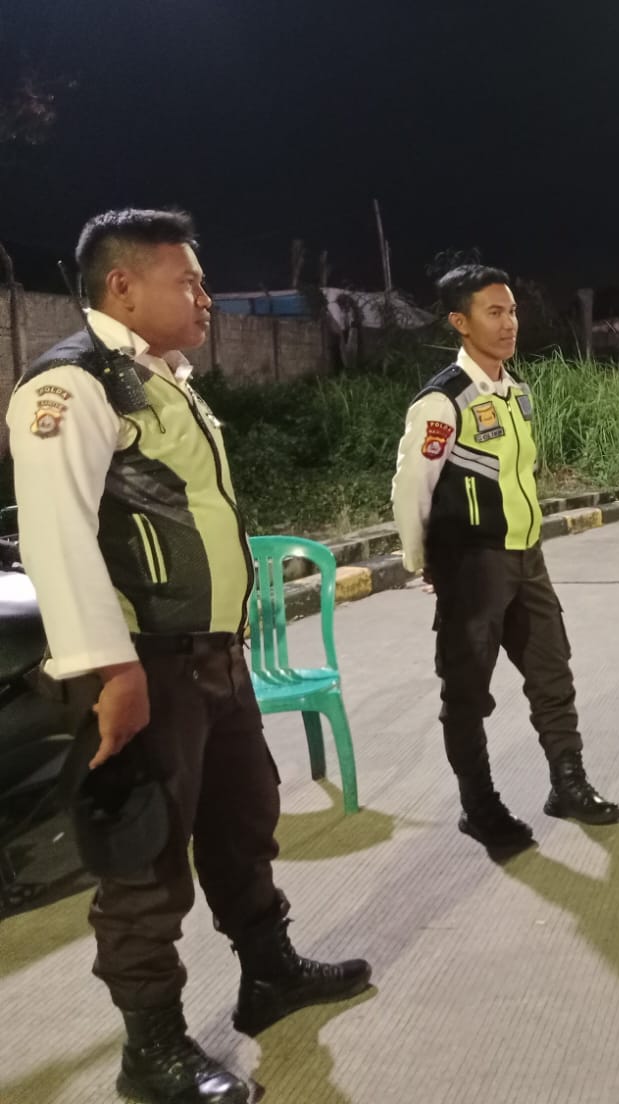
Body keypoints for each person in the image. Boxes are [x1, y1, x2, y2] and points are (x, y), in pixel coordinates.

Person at [6, 208, 370, 1104]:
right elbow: (57, 539)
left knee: (244, 821)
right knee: (145, 859)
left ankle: (268, 972)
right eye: (190, 281)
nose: (207, 297)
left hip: (213, 658)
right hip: (146, 665)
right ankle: (153, 1051)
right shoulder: (72, 386)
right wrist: (112, 670)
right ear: (122, 285)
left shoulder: (163, 379)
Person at [390, 258, 619, 856]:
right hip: (474, 569)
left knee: (552, 674)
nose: (509, 323)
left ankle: (568, 784)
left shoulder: (515, 392)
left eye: (513, 311)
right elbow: (411, 487)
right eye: (494, 312)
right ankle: (480, 806)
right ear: (460, 322)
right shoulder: (443, 401)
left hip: (528, 558)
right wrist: (422, 561)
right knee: (467, 693)